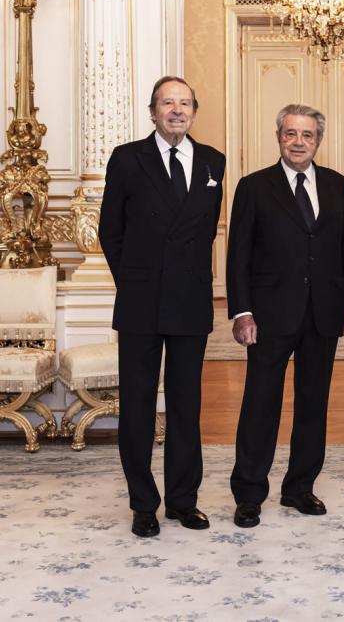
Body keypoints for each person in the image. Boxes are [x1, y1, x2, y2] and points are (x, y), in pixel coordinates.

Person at [227, 103, 344, 528]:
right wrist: (242, 312)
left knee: (313, 404)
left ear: (318, 140)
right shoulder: (253, 186)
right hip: (270, 315)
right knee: (260, 404)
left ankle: (300, 487)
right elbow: (238, 256)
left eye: (307, 135)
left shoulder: (337, 185)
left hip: (323, 314)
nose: (299, 142)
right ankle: (249, 493)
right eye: (291, 134)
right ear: (279, 138)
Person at [99, 76, 225, 537]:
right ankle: (143, 503)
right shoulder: (128, 158)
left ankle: (182, 501)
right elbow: (109, 230)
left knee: (187, 404)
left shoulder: (213, 161)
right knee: (136, 405)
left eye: (185, 103)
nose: (177, 110)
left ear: (194, 110)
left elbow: (207, 229)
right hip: (140, 300)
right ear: (152, 111)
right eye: (167, 103)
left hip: (190, 299)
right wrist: (134, 279)